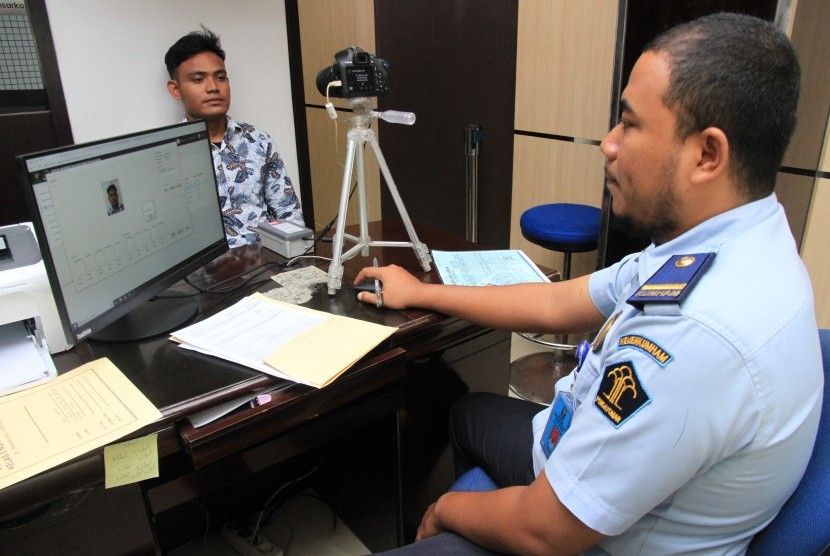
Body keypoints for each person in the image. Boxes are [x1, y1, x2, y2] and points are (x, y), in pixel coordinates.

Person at [355, 13, 824, 555]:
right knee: (466, 413)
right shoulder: (735, 236)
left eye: (630, 124)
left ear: (707, 154)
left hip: (582, 537)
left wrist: (445, 512)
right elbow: (559, 301)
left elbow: (544, 530)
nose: (608, 144)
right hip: (571, 455)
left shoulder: (696, 335)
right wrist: (420, 291)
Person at [164, 27, 303, 247]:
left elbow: (288, 213)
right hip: (207, 272)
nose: (213, 88)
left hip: (267, 260)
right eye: (198, 79)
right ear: (176, 89)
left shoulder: (257, 140)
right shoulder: (166, 155)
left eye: (220, 78)